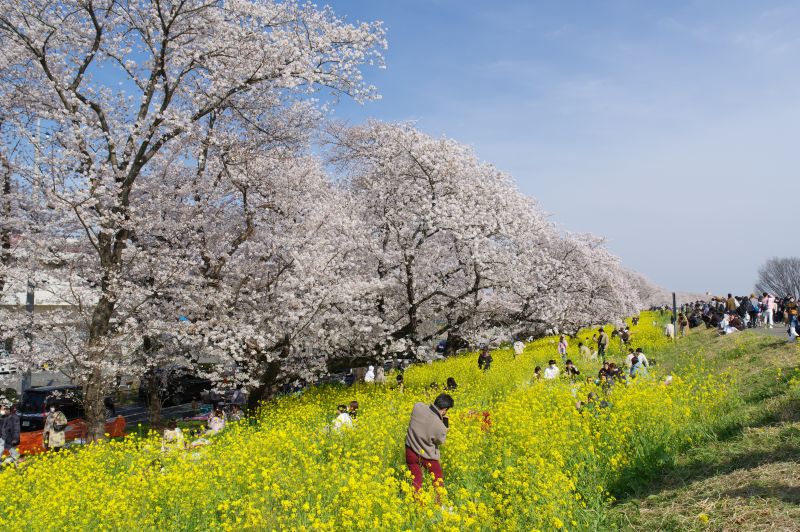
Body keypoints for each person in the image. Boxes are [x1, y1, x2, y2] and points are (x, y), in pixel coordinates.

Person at [405, 393, 453, 494]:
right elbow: (440, 441)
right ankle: (438, 503)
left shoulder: (417, 407)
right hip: (426, 455)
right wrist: (444, 428)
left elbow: (425, 409)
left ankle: (417, 503)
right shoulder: (440, 426)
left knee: (416, 479)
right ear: (444, 410)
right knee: (437, 477)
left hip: (410, 451)